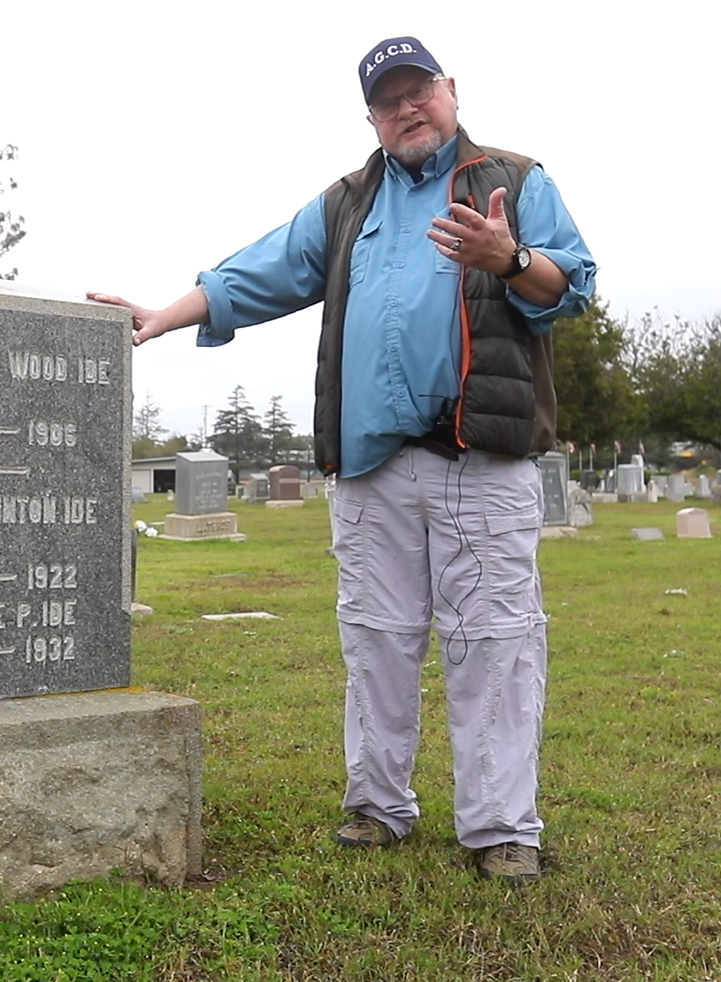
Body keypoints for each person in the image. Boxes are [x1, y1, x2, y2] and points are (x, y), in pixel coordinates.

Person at [90, 37, 595, 886]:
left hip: (481, 456)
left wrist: (505, 258)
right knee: (376, 638)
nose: (408, 108)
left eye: (419, 91)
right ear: (372, 117)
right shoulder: (348, 203)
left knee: (497, 643)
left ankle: (503, 827)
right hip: (371, 467)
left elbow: (571, 286)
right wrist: (162, 316)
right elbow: (257, 273)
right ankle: (378, 805)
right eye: (389, 99)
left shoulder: (513, 177)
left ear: (451, 91)